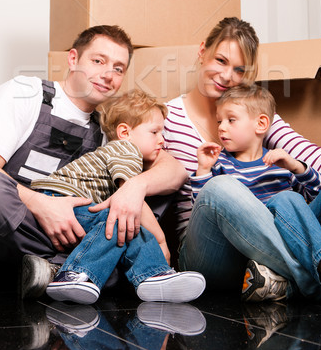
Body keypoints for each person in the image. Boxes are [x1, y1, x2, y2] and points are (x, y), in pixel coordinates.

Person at [0, 25, 187, 288]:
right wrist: (42, 205)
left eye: (118, 69)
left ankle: (53, 273)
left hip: (70, 232)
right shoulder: (26, 92)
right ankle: (87, 270)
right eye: (98, 61)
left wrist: (136, 186)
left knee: (147, 201)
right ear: (73, 59)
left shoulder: (108, 129)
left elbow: (175, 170)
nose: (108, 75)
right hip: (8, 225)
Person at [163, 17, 321, 298]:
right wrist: (135, 187)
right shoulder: (167, 117)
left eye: (239, 70)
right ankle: (319, 283)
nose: (227, 76)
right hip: (211, 251)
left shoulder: (257, 117)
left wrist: (303, 170)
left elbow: (316, 159)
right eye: (221, 60)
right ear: (202, 52)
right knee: (221, 188)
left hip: (270, 243)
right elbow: (144, 165)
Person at [26, 89, 205, 305]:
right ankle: (76, 274)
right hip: (60, 199)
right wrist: (160, 240)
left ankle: (152, 277)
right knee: (123, 220)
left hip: (64, 200)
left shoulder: (116, 151)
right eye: (155, 132)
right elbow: (132, 199)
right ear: (124, 132)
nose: (162, 141)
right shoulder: (125, 150)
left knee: (120, 227)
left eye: (163, 134)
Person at [191, 83, 321, 310]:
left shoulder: (280, 162)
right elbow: (204, 209)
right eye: (219, 121)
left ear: (261, 124)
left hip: (300, 237)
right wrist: (203, 170)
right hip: (258, 243)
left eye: (231, 120)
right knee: (285, 199)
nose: (221, 128)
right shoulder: (220, 164)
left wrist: (296, 167)